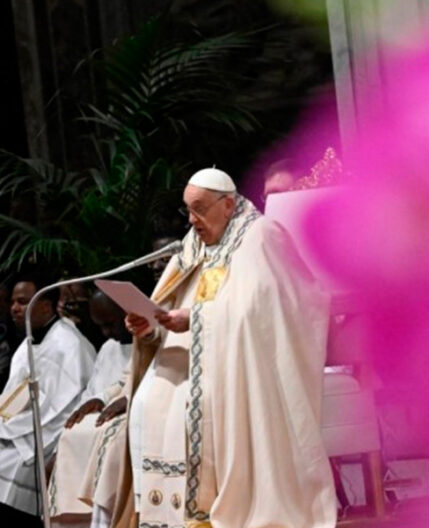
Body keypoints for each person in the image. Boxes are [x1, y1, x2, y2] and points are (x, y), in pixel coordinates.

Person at [109, 168, 336, 527]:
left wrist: (196, 320)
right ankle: (167, 517)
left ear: (228, 204)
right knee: (149, 401)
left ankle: (200, 513)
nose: (192, 220)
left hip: (243, 371)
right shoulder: (193, 245)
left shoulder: (260, 237)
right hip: (190, 362)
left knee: (186, 405)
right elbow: (170, 308)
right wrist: (151, 327)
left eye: (199, 209)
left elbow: (268, 313)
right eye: (188, 210)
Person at [0, 273, 96, 526]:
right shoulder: (31, 340)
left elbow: (65, 404)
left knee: (8, 464)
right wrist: (4, 420)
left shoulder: (71, 344)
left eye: (23, 301)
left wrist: (12, 427)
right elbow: (17, 393)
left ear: (45, 304)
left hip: (52, 432)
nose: (14, 308)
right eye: (13, 302)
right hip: (24, 426)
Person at [47, 291, 132, 528]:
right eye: (100, 326)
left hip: (127, 422)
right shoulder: (107, 348)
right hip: (104, 418)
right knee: (71, 434)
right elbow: (105, 388)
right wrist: (97, 399)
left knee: (102, 437)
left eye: (109, 324)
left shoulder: (149, 342)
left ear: (126, 313)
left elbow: (136, 381)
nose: (106, 333)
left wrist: (126, 400)